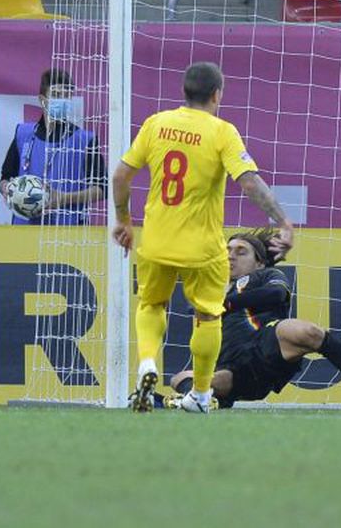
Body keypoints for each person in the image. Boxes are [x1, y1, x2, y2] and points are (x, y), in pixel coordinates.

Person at [111, 62, 294, 414]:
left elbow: (121, 177)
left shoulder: (156, 123)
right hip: (202, 248)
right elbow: (250, 182)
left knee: (151, 305)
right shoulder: (222, 131)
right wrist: (283, 220)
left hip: (157, 241)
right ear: (216, 94)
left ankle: (148, 362)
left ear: (185, 92)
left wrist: (123, 220)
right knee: (208, 316)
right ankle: (199, 393)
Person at [168, 229, 341, 412]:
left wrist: (227, 304)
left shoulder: (264, 277)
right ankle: (196, 401)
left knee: (308, 331)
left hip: (267, 345)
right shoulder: (207, 289)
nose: (230, 255)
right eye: (227, 250)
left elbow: (278, 294)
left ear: (259, 262)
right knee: (180, 377)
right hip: (233, 368)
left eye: (241, 251)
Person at [0, 68, 105, 225]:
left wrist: (63, 199)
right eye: (56, 95)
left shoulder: (85, 140)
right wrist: (9, 190)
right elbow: (4, 178)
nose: (62, 100)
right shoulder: (23, 134)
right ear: (42, 100)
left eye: (67, 96)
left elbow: (102, 189)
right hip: (24, 228)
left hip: (68, 230)